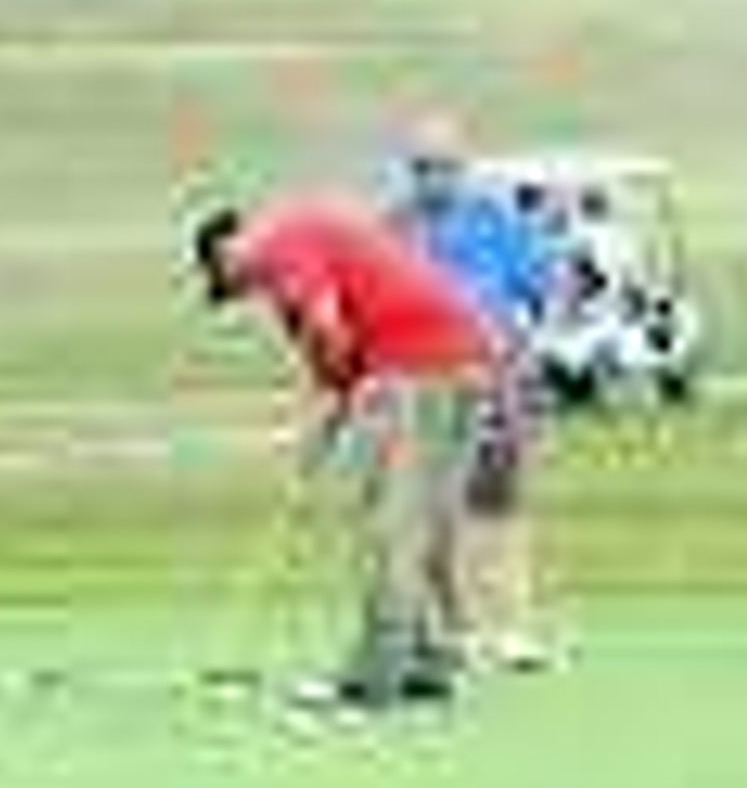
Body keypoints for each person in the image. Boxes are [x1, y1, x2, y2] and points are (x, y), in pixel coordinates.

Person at [192, 197, 493, 713]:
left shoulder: (278, 246)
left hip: (411, 368)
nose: (243, 293)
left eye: (230, 281)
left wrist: (339, 399)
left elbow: (328, 331)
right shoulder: (304, 240)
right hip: (463, 360)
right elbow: (333, 360)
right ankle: (423, 663)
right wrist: (325, 426)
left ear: (226, 250)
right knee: (418, 522)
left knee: (386, 523)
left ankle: (375, 676)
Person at [387, 116, 562, 670]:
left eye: (442, 167)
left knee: (499, 505)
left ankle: (513, 629)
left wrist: (526, 346)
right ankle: (453, 631)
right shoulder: (393, 230)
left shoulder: (495, 222)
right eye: (421, 168)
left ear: (461, 169)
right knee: (432, 514)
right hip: (422, 385)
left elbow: (543, 287)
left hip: (495, 378)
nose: (432, 179)